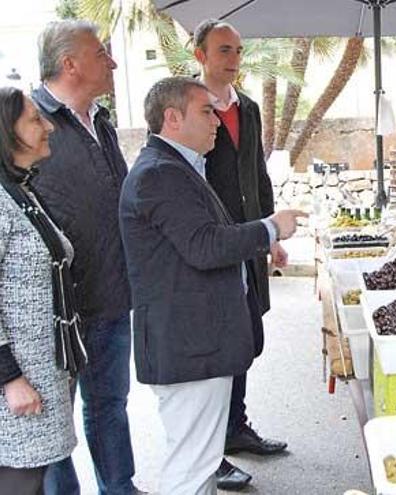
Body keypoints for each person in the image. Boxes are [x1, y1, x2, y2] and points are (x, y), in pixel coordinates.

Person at [119, 76, 303, 495]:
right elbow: (204, 245)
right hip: (189, 346)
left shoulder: (178, 167)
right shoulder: (159, 174)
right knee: (190, 468)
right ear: (172, 117)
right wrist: (269, 228)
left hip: (197, 344)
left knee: (197, 464)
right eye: (206, 111)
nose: (217, 120)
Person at [29, 20, 138, 495]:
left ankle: (120, 488)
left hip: (112, 299)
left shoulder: (103, 121)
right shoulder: (26, 124)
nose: (112, 62)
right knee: (53, 424)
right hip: (56, 312)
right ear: (70, 63)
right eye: (101, 54)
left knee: (110, 405)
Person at [191, 19, 288, 490]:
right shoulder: (184, 107)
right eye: (224, 50)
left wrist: (271, 235)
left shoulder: (247, 108)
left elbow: (257, 174)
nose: (234, 59)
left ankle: (235, 428)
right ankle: (212, 450)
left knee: (247, 339)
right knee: (218, 348)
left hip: (249, 242)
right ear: (200, 57)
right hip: (210, 247)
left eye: (238, 51)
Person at [0, 86, 86, 494]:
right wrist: (10, 378)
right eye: (35, 119)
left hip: (42, 373)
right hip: (18, 384)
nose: (48, 125)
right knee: (19, 481)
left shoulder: (21, 191)